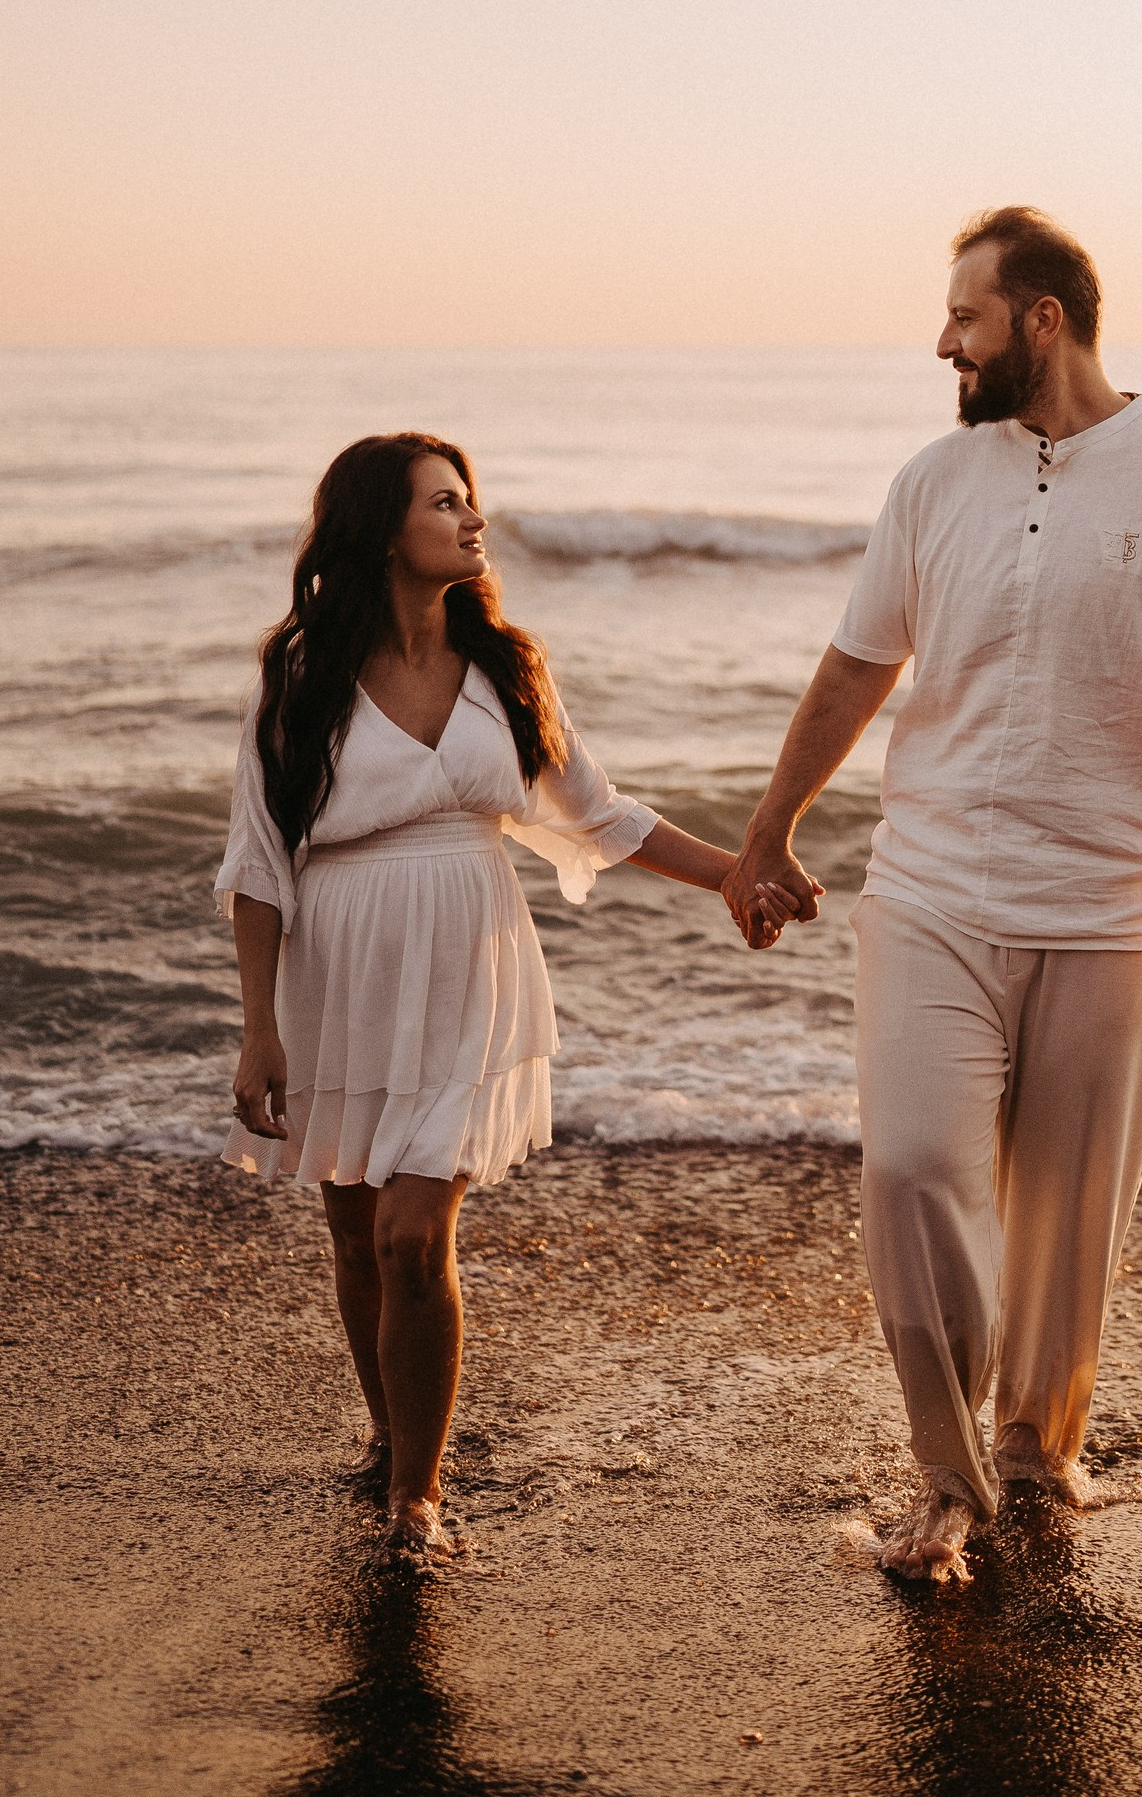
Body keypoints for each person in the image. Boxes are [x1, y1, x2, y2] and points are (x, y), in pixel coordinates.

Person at [722, 208, 1142, 1583]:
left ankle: (1035, 1451)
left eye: (963, 316)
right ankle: (948, 1479)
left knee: (1067, 1219)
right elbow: (858, 666)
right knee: (914, 1170)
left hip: (1117, 906)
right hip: (929, 894)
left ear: (1040, 319)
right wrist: (768, 827)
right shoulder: (932, 480)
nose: (942, 341)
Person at [220, 432, 769, 1554]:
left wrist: (735, 871)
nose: (474, 521)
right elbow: (258, 865)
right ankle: (392, 1435)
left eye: (471, 503)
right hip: (342, 969)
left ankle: (415, 1496)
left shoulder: (506, 668)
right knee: (359, 1236)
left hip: (468, 961)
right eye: (444, 504)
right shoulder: (301, 675)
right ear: (384, 527)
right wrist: (257, 1030)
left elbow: (603, 815)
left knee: (418, 1236)